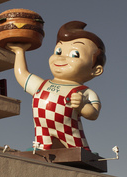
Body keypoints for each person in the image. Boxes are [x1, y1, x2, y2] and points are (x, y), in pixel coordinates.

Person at [8, 20, 104, 150]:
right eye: (58, 51)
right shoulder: (42, 85)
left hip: (72, 139)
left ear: (96, 70)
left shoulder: (84, 92)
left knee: (77, 154)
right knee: (40, 152)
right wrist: (19, 52)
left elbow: (94, 114)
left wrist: (83, 105)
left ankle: (81, 154)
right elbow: (22, 75)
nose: (61, 58)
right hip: (42, 136)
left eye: (74, 54)